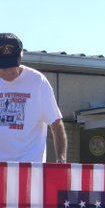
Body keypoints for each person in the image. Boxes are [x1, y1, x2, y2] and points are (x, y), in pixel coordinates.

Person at [0, 33, 67, 163]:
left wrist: (61, 161)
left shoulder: (37, 81)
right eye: (2, 68)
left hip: (29, 169)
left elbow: (56, 123)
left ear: (21, 56)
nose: (6, 72)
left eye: (10, 66)